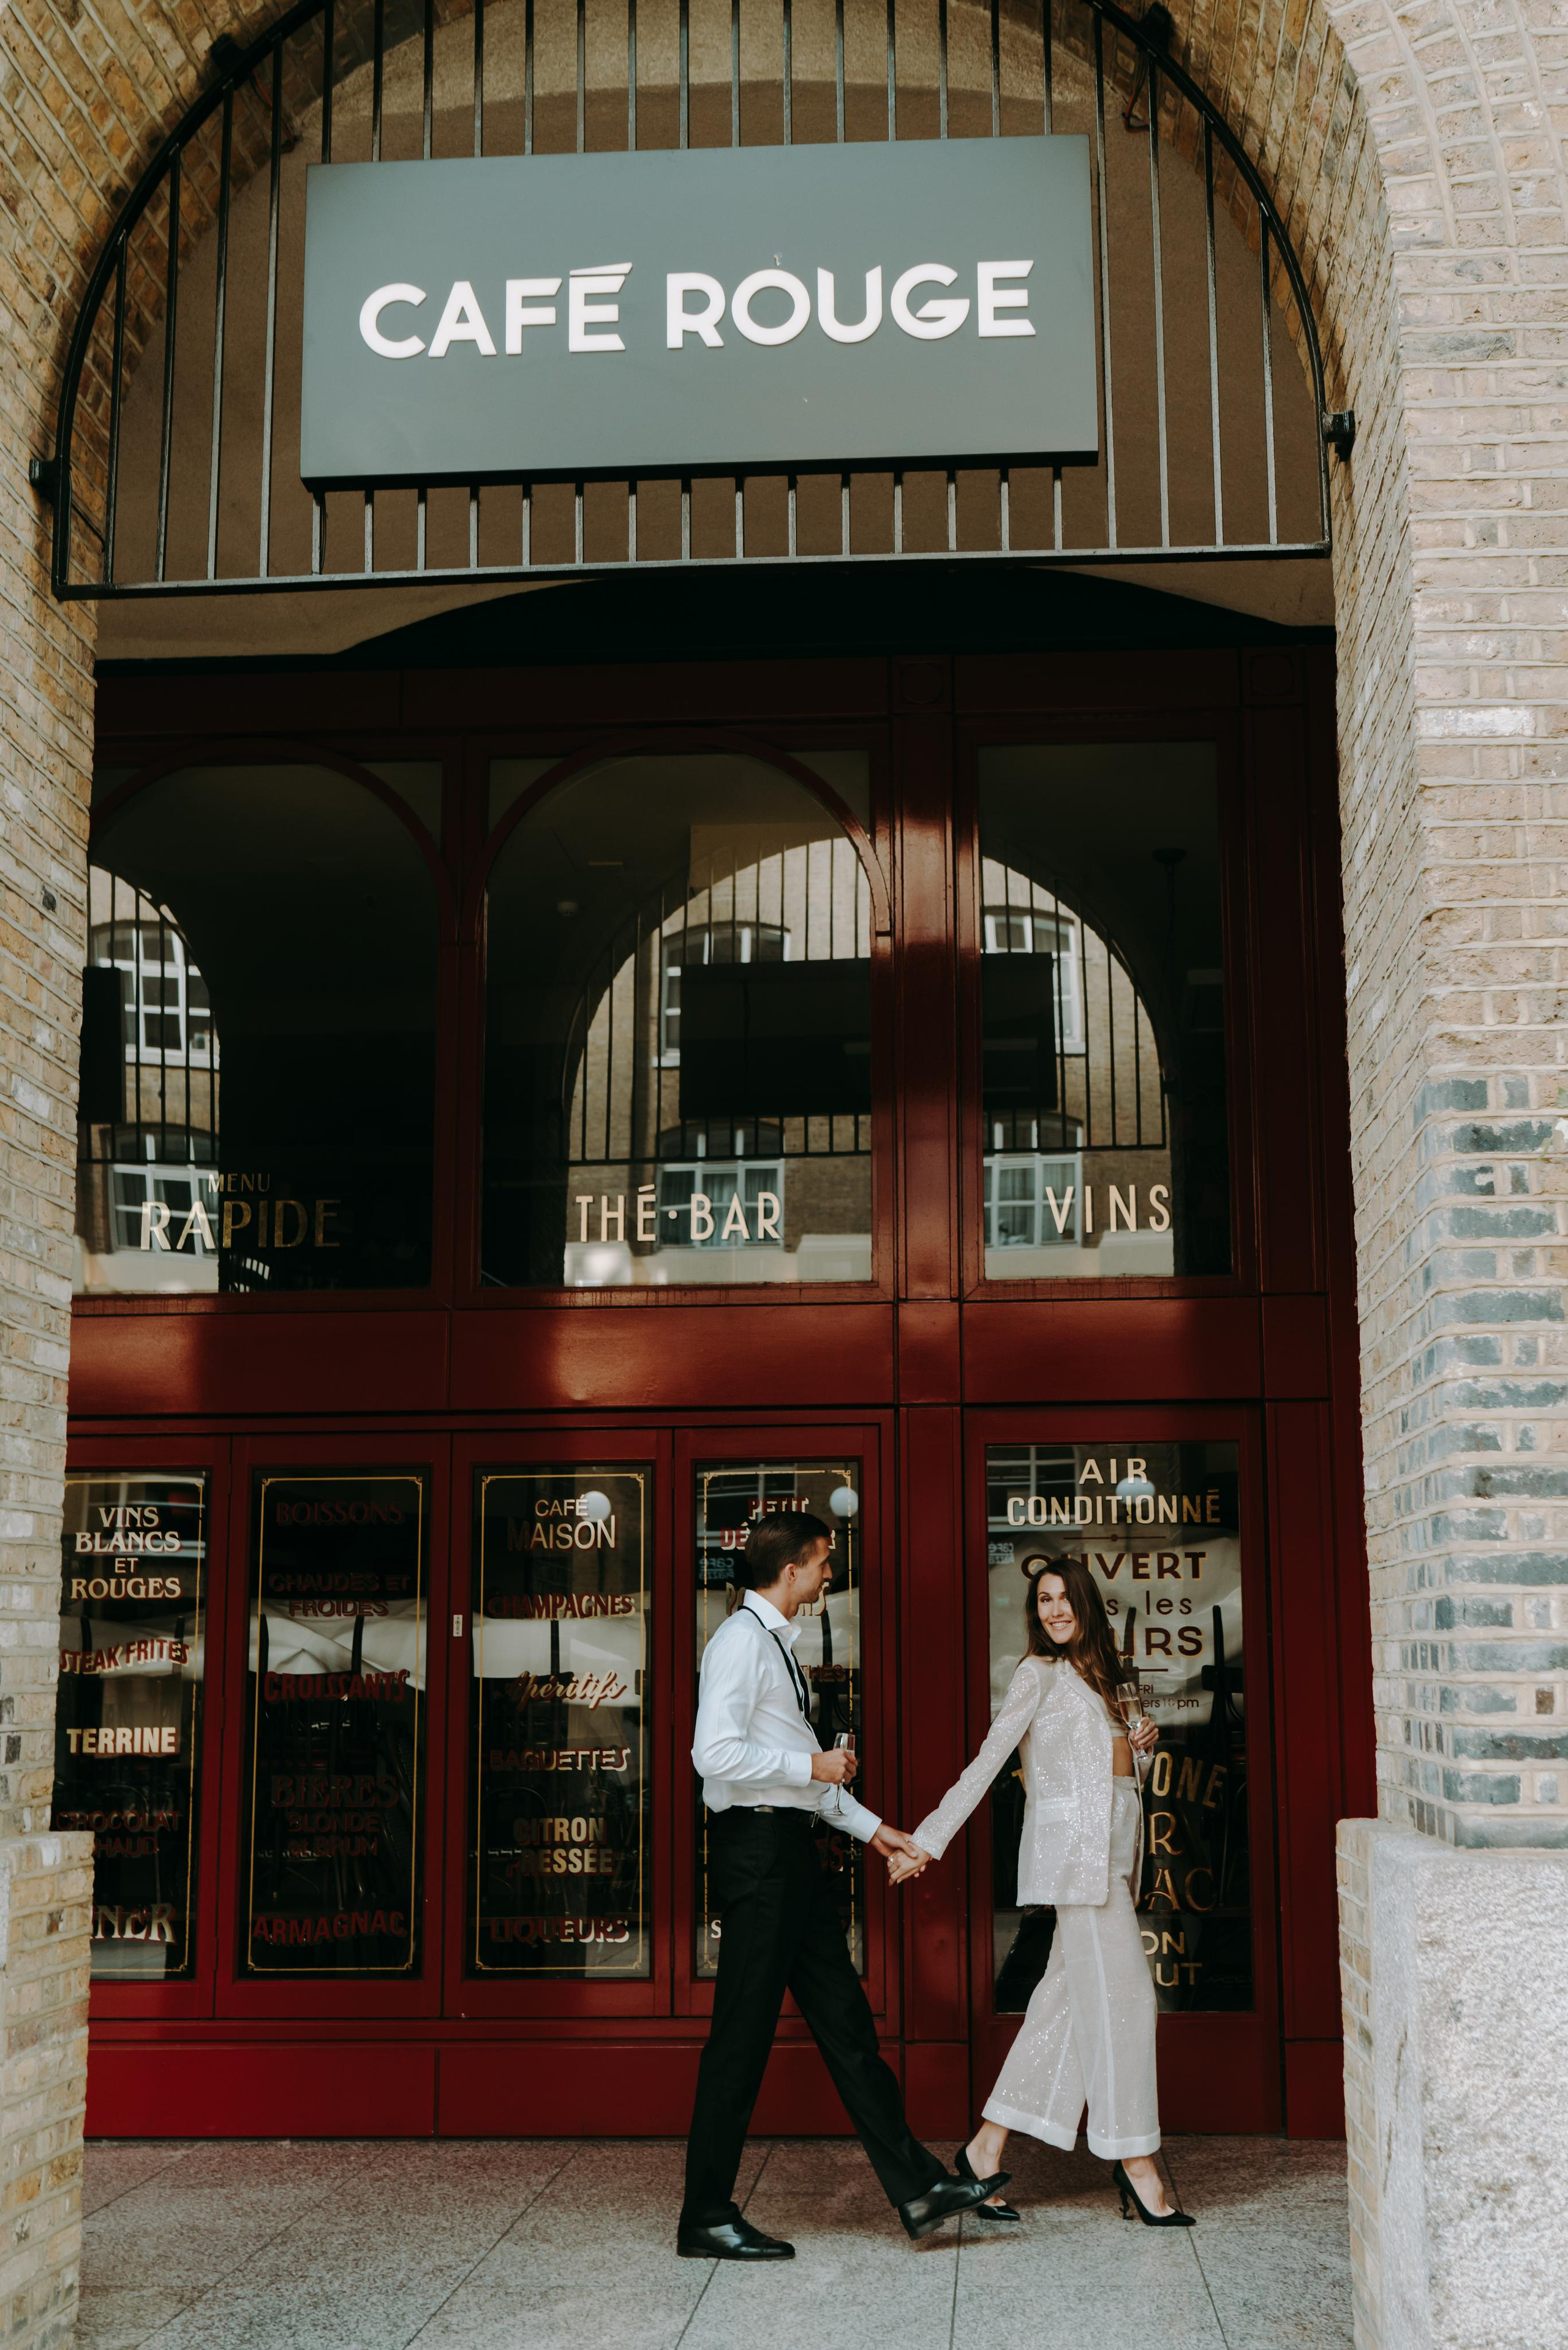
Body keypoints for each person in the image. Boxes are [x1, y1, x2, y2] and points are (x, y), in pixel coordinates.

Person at [678, 1510, 1009, 2262]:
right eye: (824, 1562)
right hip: (760, 1856)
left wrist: (874, 1827)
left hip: (787, 1853)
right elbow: (713, 1755)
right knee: (740, 2039)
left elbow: (798, 1773)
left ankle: (919, 2188)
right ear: (789, 1570)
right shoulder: (740, 1643)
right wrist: (812, 1768)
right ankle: (704, 2214)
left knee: (848, 2028)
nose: (831, 1574)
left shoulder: (772, 1644)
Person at [889, 1554, 1196, 2229]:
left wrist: (1141, 1745)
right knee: (1129, 2002)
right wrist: (927, 1839)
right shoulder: (1037, 1675)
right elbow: (987, 1761)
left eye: (1064, 1599)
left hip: (1113, 1855)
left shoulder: (1113, 1680)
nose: (1053, 1611)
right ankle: (1134, 2159)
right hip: (1076, 1865)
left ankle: (984, 2149)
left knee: (1061, 2009)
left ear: (1086, 1605)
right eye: (1043, 1601)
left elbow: (1116, 1773)